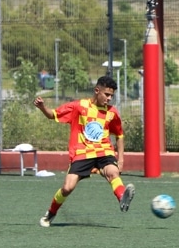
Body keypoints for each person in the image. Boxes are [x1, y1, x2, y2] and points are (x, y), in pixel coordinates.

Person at [34, 75, 134, 227]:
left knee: (113, 172)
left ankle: (122, 197)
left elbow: (119, 135)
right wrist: (42, 108)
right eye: (106, 95)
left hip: (104, 151)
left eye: (111, 96)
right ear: (96, 90)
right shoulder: (79, 106)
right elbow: (53, 115)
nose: (109, 98)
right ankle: (51, 213)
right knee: (67, 188)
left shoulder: (112, 112)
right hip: (82, 152)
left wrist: (120, 159)